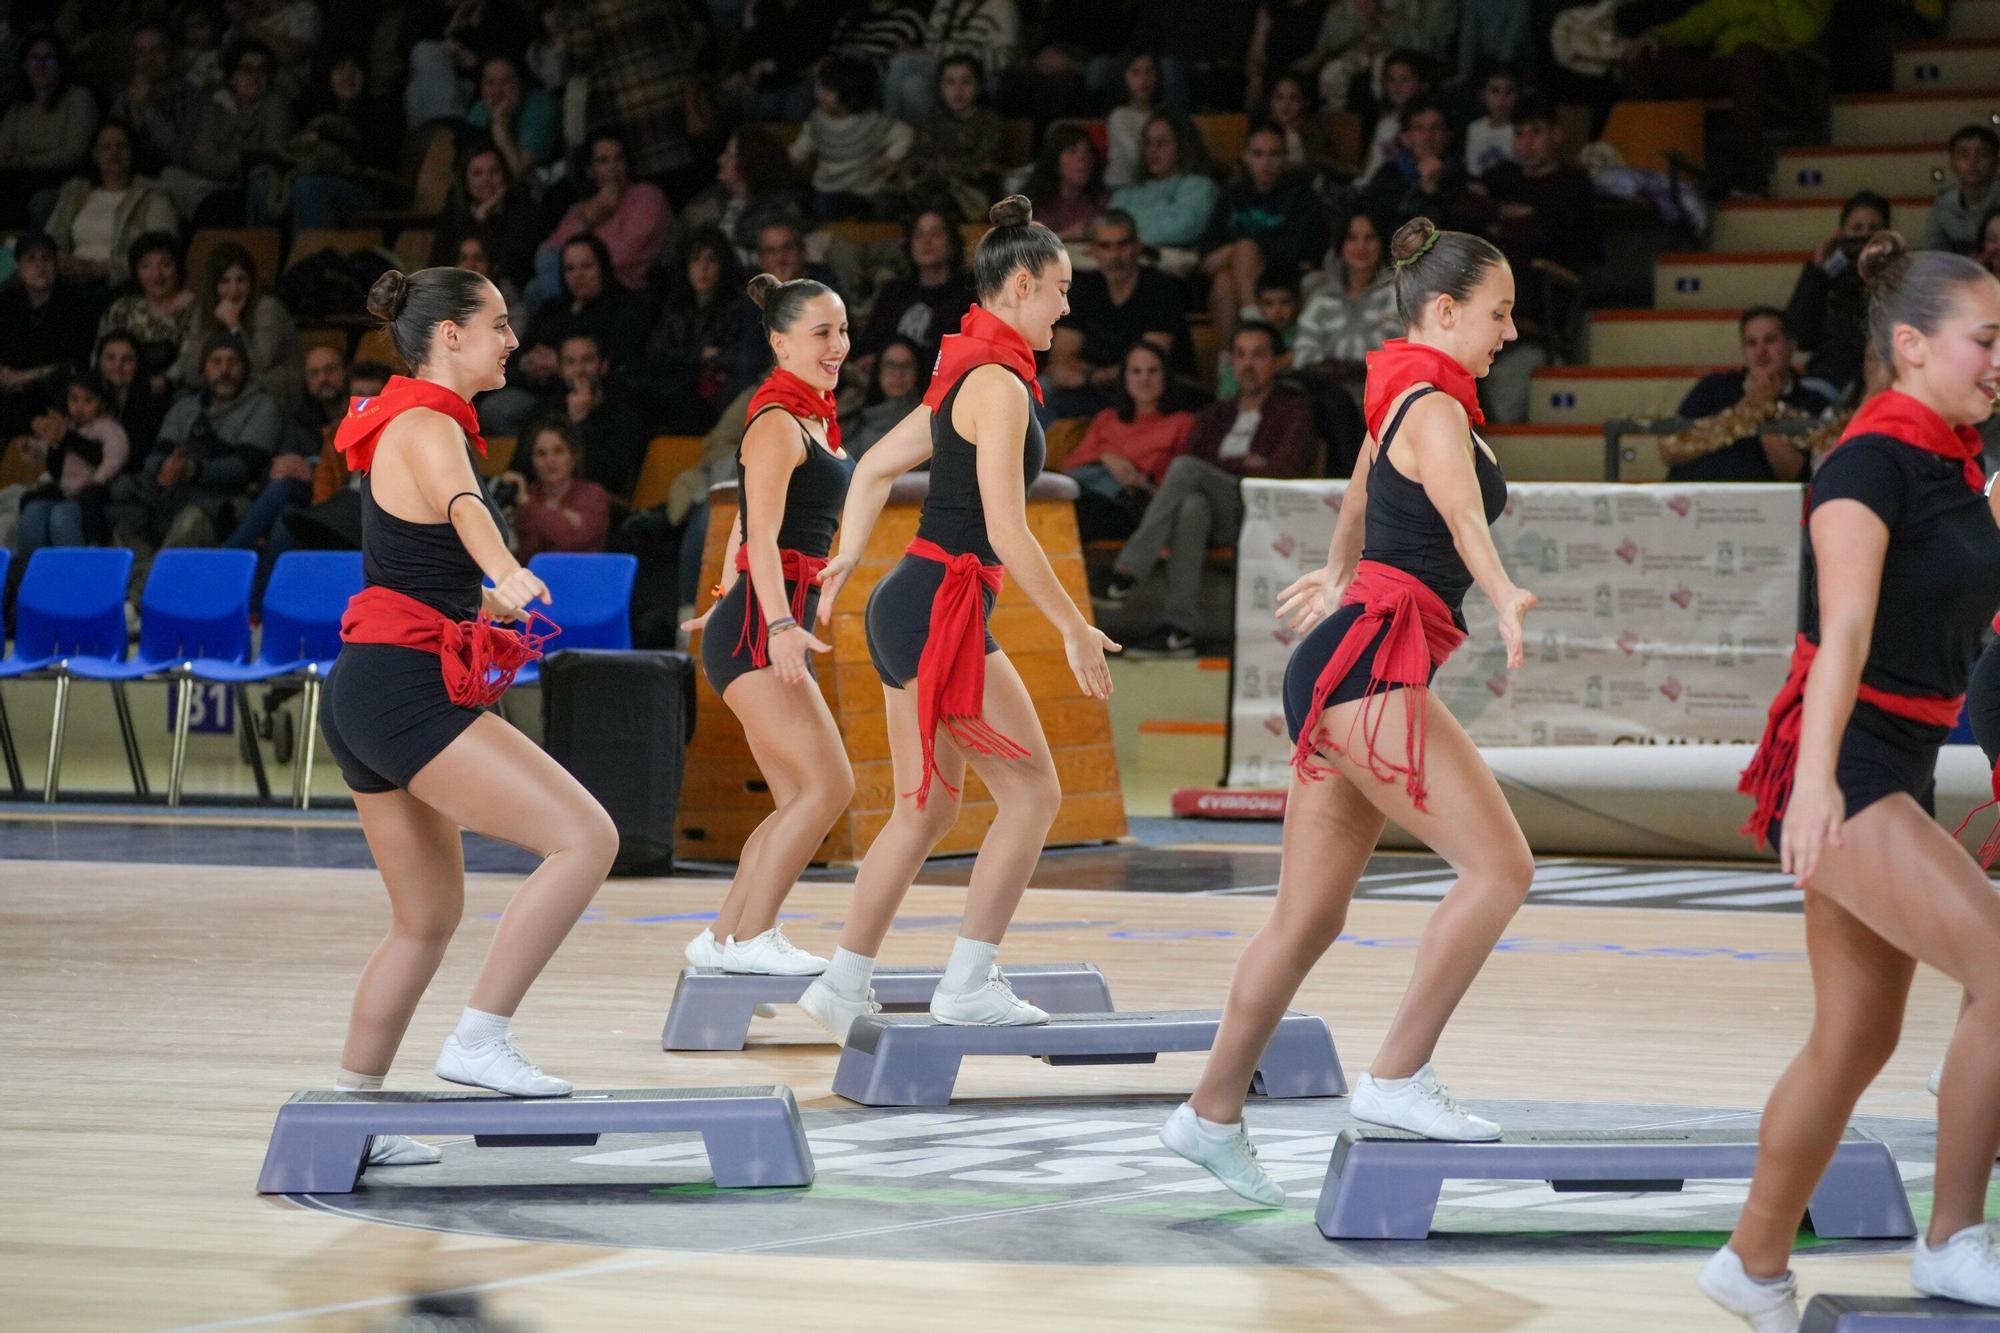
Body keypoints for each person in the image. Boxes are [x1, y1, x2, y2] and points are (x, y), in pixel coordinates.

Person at [1160, 216, 1539, 1204]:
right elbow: (1457, 509)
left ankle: (1206, 1112)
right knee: (1500, 867)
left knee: (1307, 914)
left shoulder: (1402, 392)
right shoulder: (1437, 410)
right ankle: (1396, 1077)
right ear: (1443, 310)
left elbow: (1362, 489)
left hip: (1343, 661)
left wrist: (1336, 567)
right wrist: (1498, 593)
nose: (1508, 330)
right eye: (1496, 314)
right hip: (1366, 667)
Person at [1703, 234, 2000, 1329]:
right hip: (1848, 766)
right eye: (1986, 339)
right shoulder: (1864, 465)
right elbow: (1840, 637)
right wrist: (1816, 785)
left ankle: (1749, 1264)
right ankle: (1954, 1239)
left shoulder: (1949, 460)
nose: (1999, 357)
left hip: (1895, 765)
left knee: (1854, 1036)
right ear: (1911, 346)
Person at [317, 265, 619, 1167]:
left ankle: (350, 1120)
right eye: (497, 324)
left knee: (426, 916)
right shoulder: (428, 421)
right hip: (406, 691)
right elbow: (463, 507)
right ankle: (480, 1039)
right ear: (448, 335)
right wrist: (505, 573)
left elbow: (416, 566)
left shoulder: (402, 425)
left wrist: (486, 611)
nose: (512, 340)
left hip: (370, 687)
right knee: (586, 837)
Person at [797, 196, 1118, 1041]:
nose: (1067, 306)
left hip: (908, 602)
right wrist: (1073, 626)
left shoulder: (965, 373)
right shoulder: (1000, 383)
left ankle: (840, 983)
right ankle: (969, 981)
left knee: (927, 812)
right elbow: (1009, 529)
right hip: (937, 608)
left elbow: (869, 467)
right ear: (1020, 285)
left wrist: (850, 556)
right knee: (1035, 795)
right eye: (1060, 289)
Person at [678, 272, 858, 976]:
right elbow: (760, 537)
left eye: (842, 329)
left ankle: (721, 937)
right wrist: (777, 622)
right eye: (822, 333)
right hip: (762, 629)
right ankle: (753, 936)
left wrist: (723, 594)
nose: (838, 344)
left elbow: (744, 530)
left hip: (754, 618)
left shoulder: (811, 414)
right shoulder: (776, 422)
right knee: (829, 788)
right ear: (781, 341)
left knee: (794, 800)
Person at [1101, 323, 1323, 653]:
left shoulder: (1294, 411)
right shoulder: (1216, 414)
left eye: (1259, 355)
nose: (1248, 364)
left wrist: (1225, 468)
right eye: (1241, 355)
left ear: (1278, 361)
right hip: (1220, 513)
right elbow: (1198, 460)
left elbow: (1284, 470)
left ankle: (1127, 570)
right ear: (1231, 362)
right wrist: (1247, 461)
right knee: (1192, 504)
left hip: (1263, 512)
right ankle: (1179, 629)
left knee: (1187, 474)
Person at [1043, 210, 1195, 421]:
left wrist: (1090, 376)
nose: (1114, 256)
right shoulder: (1084, 288)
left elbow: (1148, 362)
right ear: (1092, 251)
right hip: (1095, 387)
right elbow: (1060, 359)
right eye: (1105, 246)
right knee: (1041, 389)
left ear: (1138, 246)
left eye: (1122, 245)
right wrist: (1094, 377)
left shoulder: (1162, 289)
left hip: (1153, 390)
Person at [1659, 307, 1831, 483]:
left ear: (1791, 345)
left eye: (1770, 340)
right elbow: (1671, 451)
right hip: (1696, 499)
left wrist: (1764, 408)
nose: (1760, 351)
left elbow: (1792, 476)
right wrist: (1747, 409)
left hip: (1766, 505)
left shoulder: (1813, 402)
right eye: (1751, 343)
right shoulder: (1713, 387)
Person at [1200, 124, 1330, 335]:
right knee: (1223, 280)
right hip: (1235, 275)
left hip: (1284, 277)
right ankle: (1228, 357)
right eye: (1258, 154)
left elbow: (1309, 250)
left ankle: (1255, 327)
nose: (1266, 162)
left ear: (1285, 158)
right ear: (1246, 157)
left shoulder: (1302, 195)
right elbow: (1206, 256)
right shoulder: (1231, 194)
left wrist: (1244, 251)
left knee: (1242, 251)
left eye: (1274, 154)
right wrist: (1241, 253)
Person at [1063, 340, 1197, 542]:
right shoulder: (1107, 418)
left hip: (1143, 507)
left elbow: (1184, 483)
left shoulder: (1182, 423)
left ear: (1165, 377)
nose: (1144, 379)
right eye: (1136, 371)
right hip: (1094, 499)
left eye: (1153, 371)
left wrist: (1139, 479)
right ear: (1124, 378)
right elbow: (1071, 466)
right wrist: (1107, 458)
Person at [533, 132, 672, 300]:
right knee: (538, 279)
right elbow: (552, 252)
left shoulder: (647, 196)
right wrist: (592, 217)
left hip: (625, 285)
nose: (613, 167)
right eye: (603, 161)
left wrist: (586, 268)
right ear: (590, 170)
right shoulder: (581, 209)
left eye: (619, 158)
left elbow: (631, 253)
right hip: (582, 284)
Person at [43, 119, 181, 288]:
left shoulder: (154, 197)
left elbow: (163, 252)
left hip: (121, 284)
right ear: (95, 154)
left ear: (132, 153)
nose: (114, 152)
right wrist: (62, 261)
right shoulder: (75, 193)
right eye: (106, 147)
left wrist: (103, 268)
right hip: (70, 280)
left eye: (122, 146)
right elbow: (50, 240)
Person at [851, 208, 978, 383]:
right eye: (919, 235)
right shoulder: (893, 292)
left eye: (935, 234)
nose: (926, 241)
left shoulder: (968, 297)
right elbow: (867, 348)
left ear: (952, 242)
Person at [1786, 191, 1890, 405]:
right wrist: (1817, 273)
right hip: (1827, 377)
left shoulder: (1901, 277)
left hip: (1884, 378)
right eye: (1857, 228)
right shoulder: (1824, 276)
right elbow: (1800, 336)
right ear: (1841, 234)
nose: (1864, 236)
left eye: (1873, 229)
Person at [639, 227, 746, 434]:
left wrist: (692, 358)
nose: (703, 268)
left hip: (712, 394)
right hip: (675, 385)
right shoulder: (676, 307)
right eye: (696, 260)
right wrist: (699, 355)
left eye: (711, 260)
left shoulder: (737, 307)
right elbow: (657, 353)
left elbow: (734, 357)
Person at [171, 242, 300, 408]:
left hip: (269, 393)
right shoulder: (205, 310)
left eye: (241, 280)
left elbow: (257, 368)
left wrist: (234, 325)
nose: (234, 290)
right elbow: (191, 372)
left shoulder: (268, 308)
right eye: (225, 281)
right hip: (224, 386)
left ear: (251, 281)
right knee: (182, 398)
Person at [1, 232, 102, 440]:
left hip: (52, 387)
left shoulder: (77, 302)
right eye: (31, 259)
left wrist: (26, 376)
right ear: (19, 268)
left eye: (46, 258)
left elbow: (77, 359)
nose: (40, 266)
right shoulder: (7, 302)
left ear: (56, 264)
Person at [15, 371, 129, 555]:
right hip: (66, 493)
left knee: (62, 516)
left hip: (92, 497)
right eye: (74, 400)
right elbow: (45, 449)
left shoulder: (108, 427)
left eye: (88, 401)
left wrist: (98, 480)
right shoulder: (66, 426)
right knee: (33, 511)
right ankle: (28, 570)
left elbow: (115, 456)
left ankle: (76, 573)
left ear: (102, 402)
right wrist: (31, 447)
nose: (79, 407)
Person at [789, 55, 914, 222]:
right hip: (827, 191)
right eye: (821, 88)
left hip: (865, 192)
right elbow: (799, 151)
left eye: (828, 90)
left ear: (851, 95)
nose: (821, 94)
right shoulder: (817, 121)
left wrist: (888, 158)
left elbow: (905, 134)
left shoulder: (872, 122)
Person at [0, 32, 99, 227]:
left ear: (60, 64)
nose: (41, 65)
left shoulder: (78, 98)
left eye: (48, 59)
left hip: (61, 181)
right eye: (34, 59)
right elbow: (4, 153)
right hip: (18, 179)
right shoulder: (17, 107)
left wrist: (23, 160)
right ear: (24, 66)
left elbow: (72, 153)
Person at [429, 144, 544, 289]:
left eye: (494, 172)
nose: (486, 180)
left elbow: (509, 265)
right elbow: (443, 258)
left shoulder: (524, 209)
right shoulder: (455, 209)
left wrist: (483, 220)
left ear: (505, 175)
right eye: (477, 173)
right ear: (466, 179)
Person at [1109, 113, 1222, 260]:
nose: (1152, 150)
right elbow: (1108, 227)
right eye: (1148, 143)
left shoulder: (1199, 187)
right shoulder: (1129, 191)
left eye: (1161, 143)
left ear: (1182, 146)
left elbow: (1181, 228)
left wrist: (1125, 233)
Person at [95, 232, 195, 397]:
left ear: (178, 267)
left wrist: (163, 381)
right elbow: (99, 353)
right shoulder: (122, 308)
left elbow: (190, 361)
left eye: (166, 264)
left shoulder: (193, 309)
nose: (156, 274)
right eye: (146, 266)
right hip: (118, 391)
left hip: (172, 394)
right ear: (136, 272)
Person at [499, 418, 612, 559]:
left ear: (573, 457)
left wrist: (527, 504)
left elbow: (568, 539)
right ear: (532, 461)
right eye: (541, 454)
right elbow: (522, 555)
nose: (550, 460)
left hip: (580, 577)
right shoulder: (527, 494)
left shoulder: (593, 495)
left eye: (558, 451)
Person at [1019, 123, 1107, 242]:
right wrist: (1063, 236)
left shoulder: (1102, 201)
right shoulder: (1031, 202)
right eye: (1072, 151)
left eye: (1087, 151)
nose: (1082, 158)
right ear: (1054, 159)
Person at [1923, 126, 2000, 257]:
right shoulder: (1943, 204)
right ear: (1951, 163)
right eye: (1964, 155)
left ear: (1997, 161)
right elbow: (1935, 254)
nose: (1973, 162)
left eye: (1983, 155)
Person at [845, 335, 926, 456]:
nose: (898, 374)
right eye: (891, 365)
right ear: (879, 370)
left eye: (906, 365)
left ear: (917, 371)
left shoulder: (930, 421)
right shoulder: (855, 416)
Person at [1103, 50, 1162, 190]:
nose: (1144, 79)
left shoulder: (1162, 114)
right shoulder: (1119, 116)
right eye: (1135, 73)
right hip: (1121, 187)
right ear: (1123, 78)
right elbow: (1136, 157)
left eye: (1149, 71)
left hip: (1154, 184)